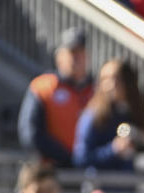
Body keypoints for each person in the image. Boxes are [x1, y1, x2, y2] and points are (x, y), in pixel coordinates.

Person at [72, 58, 144, 173]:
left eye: (117, 79)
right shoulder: (93, 116)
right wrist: (113, 149)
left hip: (141, 186)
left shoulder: (141, 115)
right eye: (106, 79)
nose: (112, 85)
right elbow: (81, 159)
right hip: (106, 186)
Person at [17, 27, 94, 168]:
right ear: (59, 57)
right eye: (71, 53)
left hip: (91, 172)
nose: (76, 58)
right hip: (53, 171)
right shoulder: (43, 87)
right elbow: (30, 134)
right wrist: (66, 158)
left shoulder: (98, 90)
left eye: (80, 53)